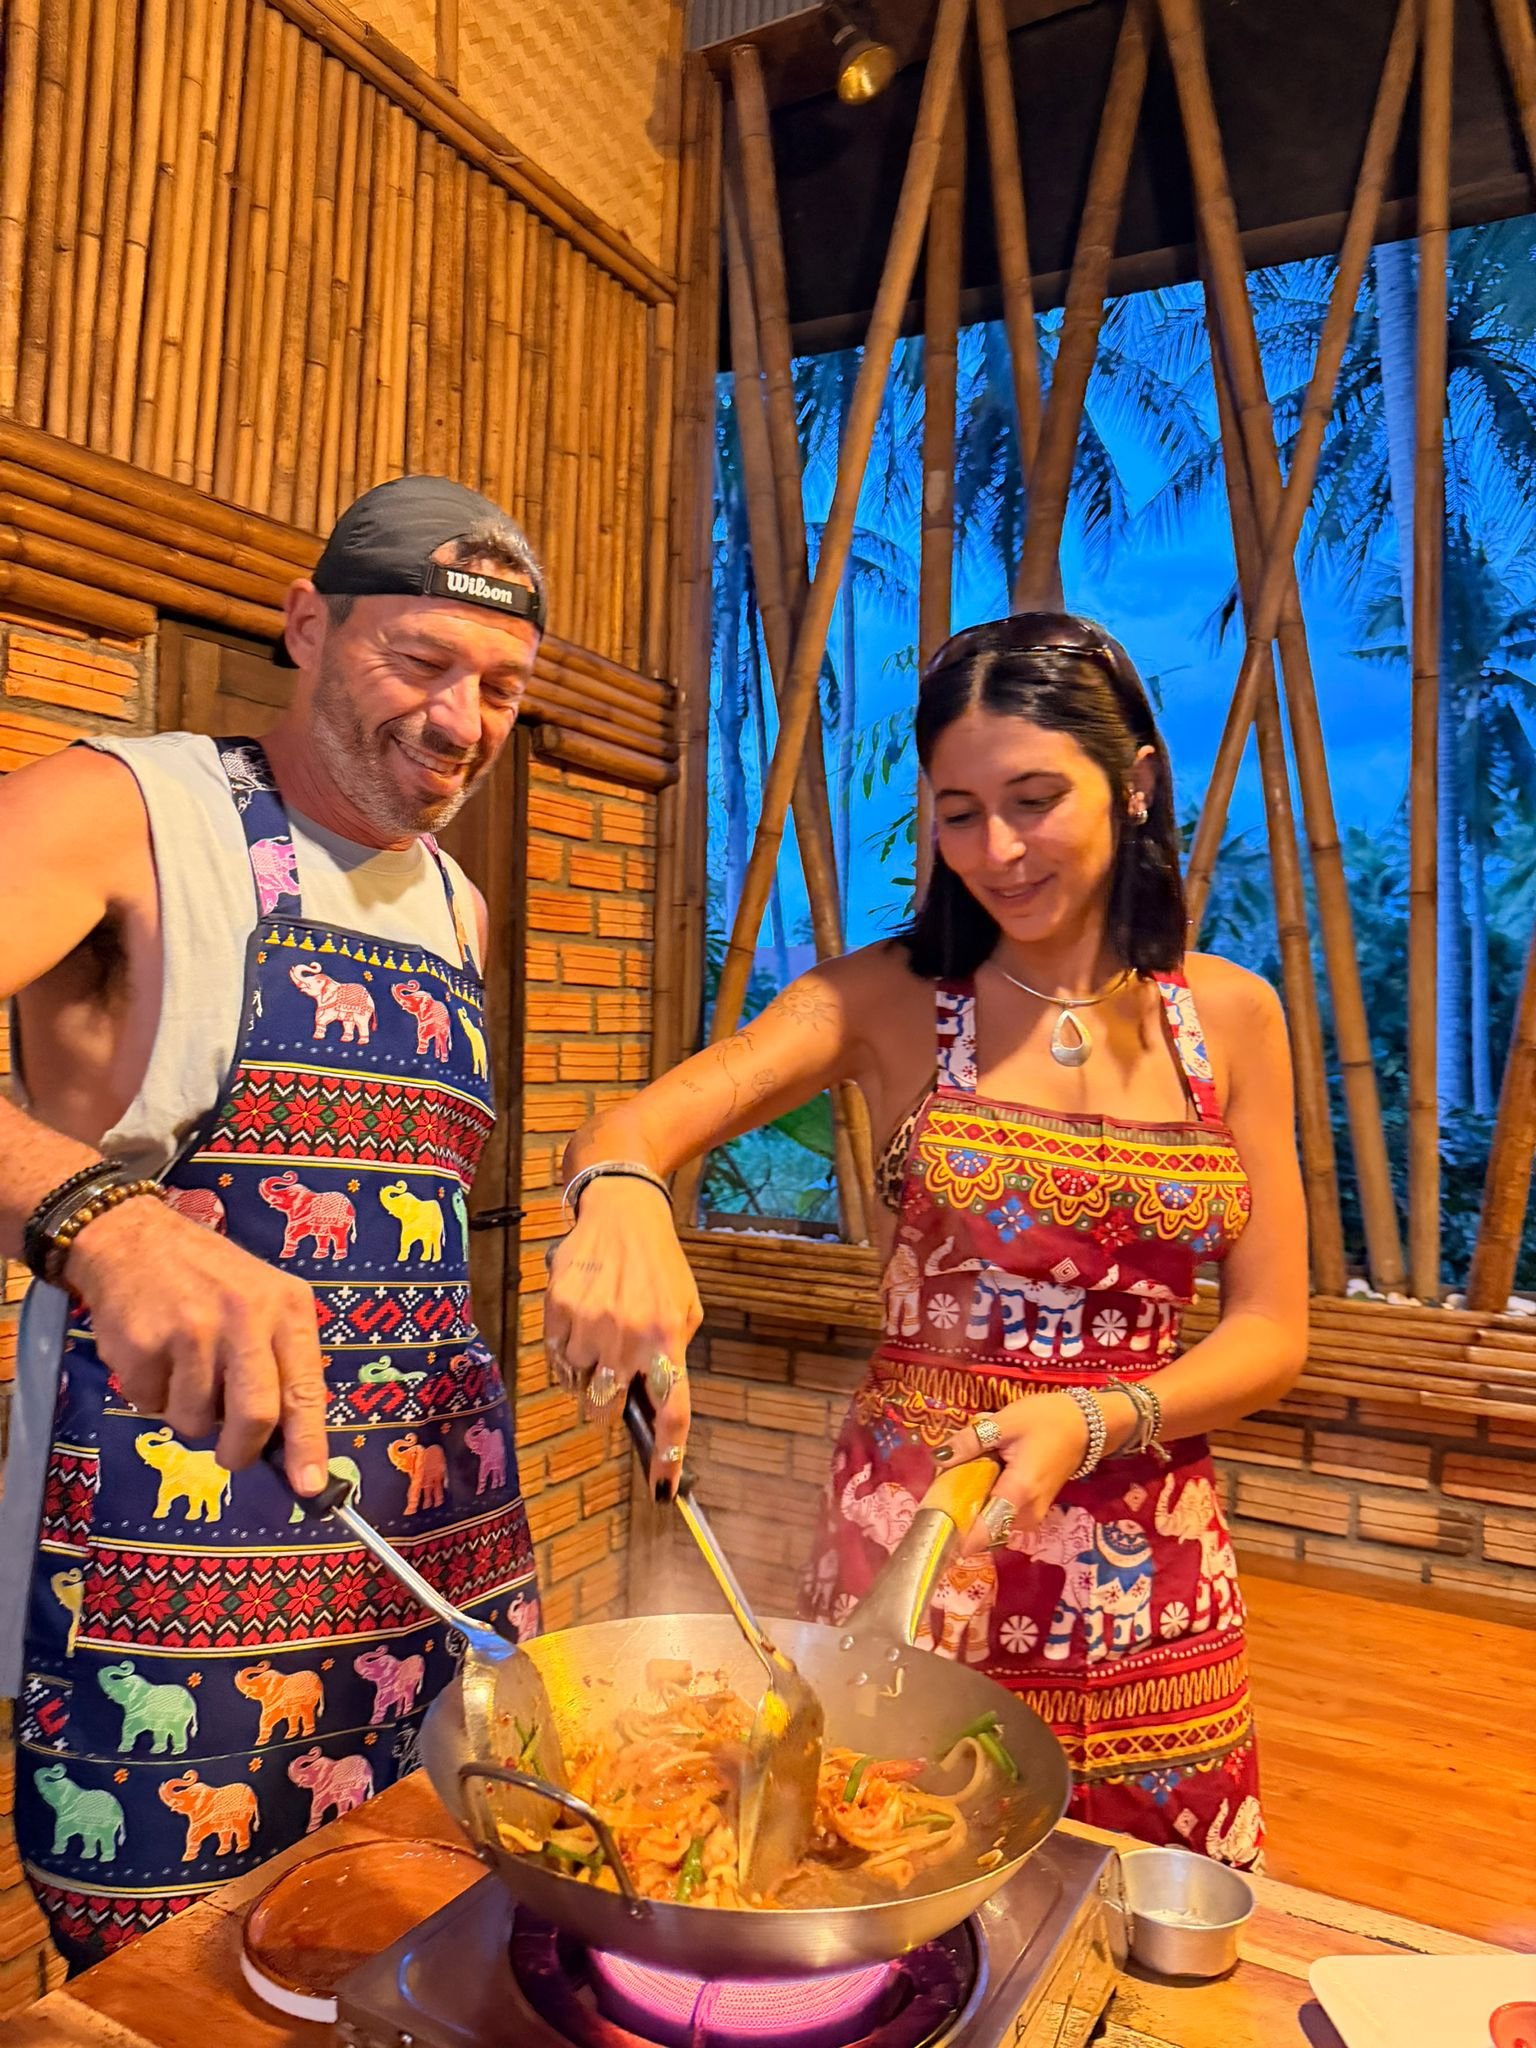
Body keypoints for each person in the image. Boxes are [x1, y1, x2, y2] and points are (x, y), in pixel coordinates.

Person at [546, 611, 1308, 1869]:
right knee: (876, 1883)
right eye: (960, 811)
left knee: (1135, 1926)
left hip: (1149, 1565)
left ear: (1134, 783)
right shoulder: (887, 998)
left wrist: (1097, 1416)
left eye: (1033, 798)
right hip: (915, 1546)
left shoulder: (1228, 1015)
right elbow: (633, 1122)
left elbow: (1274, 1331)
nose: (996, 849)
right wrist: (621, 1188)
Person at [0, 475, 544, 1966]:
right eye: (420, 663)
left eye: (500, 687)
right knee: (183, 1979)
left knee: (446, 1945)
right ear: (306, 625)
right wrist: (106, 1226)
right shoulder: (129, 807)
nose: (459, 724)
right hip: (183, 1563)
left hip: (436, 1555)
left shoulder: (456, 906)